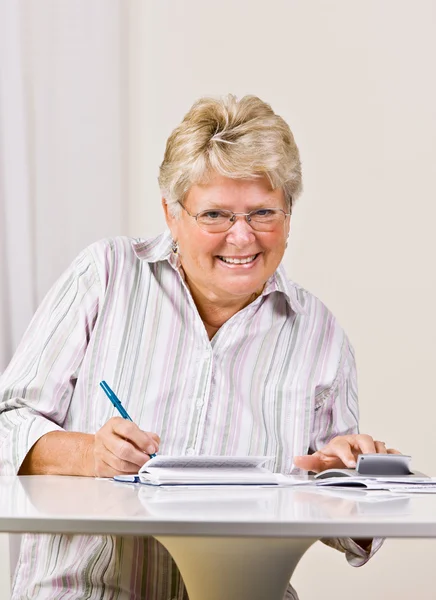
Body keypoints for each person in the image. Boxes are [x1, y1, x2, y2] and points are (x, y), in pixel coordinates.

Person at [0, 94, 399, 600]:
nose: (241, 237)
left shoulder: (317, 332)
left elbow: (354, 535)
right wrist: (91, 454)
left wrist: (352, 480)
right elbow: (7, 420)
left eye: (262, 212)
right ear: (171, 213)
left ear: (289, 214)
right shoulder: (106, 276)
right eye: (215, 214)